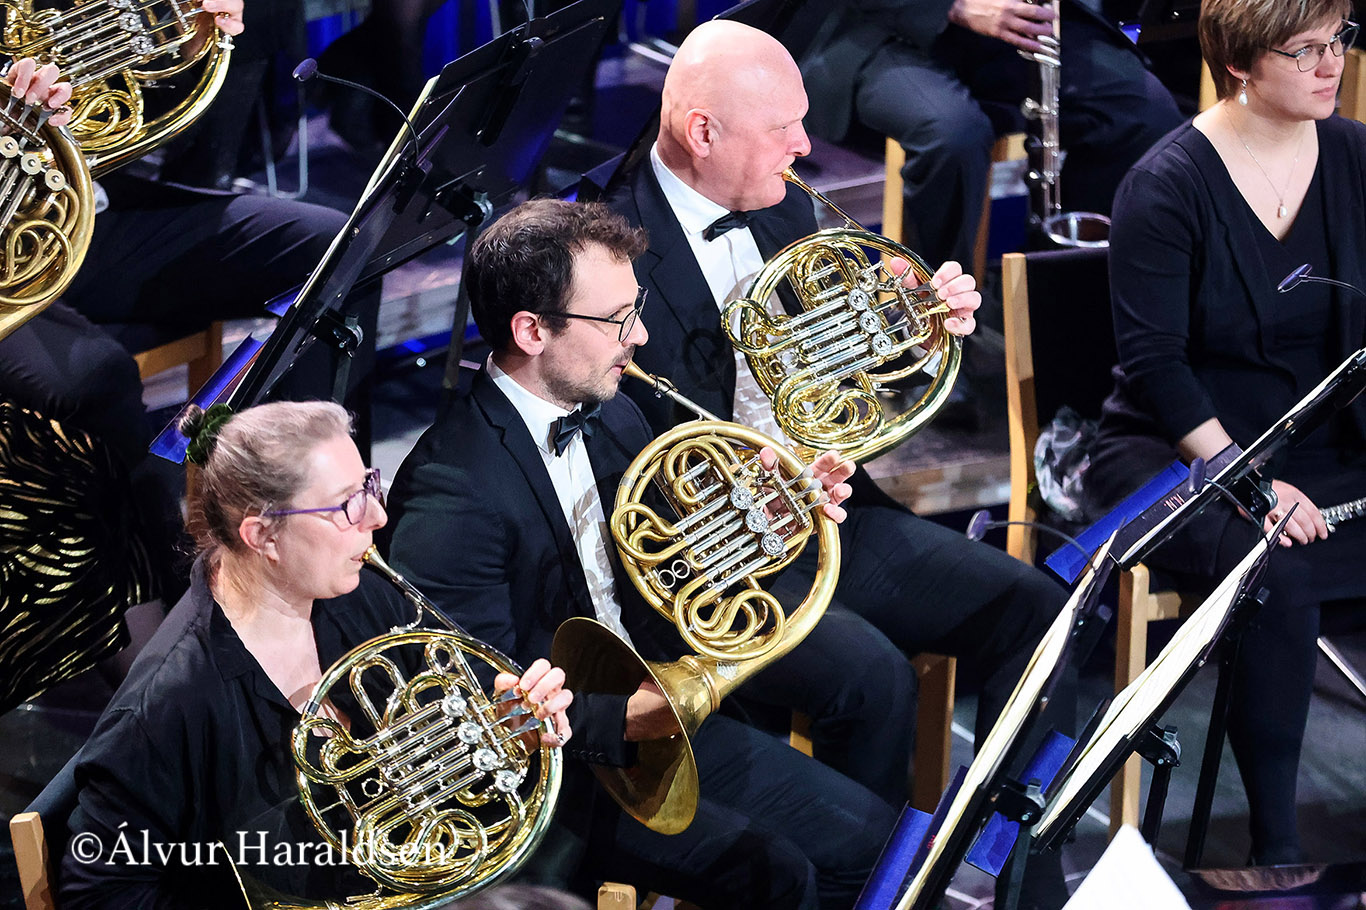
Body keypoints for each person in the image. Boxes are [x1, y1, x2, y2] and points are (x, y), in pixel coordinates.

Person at [384, 198, 900, 910]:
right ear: (532, 330)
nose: (641, 335)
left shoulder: (614, 408)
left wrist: (771, 519)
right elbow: (474, 704)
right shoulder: (452, 489)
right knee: (777, 874)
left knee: (876, 846)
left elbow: (673, 562)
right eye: (616, 319)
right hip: (566, 769)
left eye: (638, 309)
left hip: (657, 708)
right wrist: (635, 715)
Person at [605, 18, 1072, 797]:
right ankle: (873, 865)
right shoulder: (604, 247)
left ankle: (1004, 856)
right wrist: (747, 492)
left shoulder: (782, 204)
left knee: (1035, 610)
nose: (804, 146)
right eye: (783, 128)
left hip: (822, 513)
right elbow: (603, 443)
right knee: (875, 680)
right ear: (703, 132)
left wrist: (906, 329)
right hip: (712, 558)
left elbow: (817, 382)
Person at [57, 400, 572, 909]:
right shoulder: (169, 702)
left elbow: (417, 773)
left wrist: (500, 733)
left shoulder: (363, 596)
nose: (378, 515)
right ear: (263, 535)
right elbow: (98, 897)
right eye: (347, 504)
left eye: (368, 485)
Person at [1083, 0, 1366, 866]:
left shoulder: (1356, 156)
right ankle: (1275, 851)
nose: (1333, 64)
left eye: (1339, 40)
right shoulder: (1165, 184)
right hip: (1182, 452)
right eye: (1306, 50)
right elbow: (1157, 367)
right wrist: (1251, 481)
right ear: (1240, 62)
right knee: (1271, 567)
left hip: (1324, 440)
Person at [799, 0, 1183, 270]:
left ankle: (1068, 283)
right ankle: (937, 324)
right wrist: (954, 5)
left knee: (1144, 113)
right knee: (951, 133)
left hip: (1009, 23)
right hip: (874, 25)